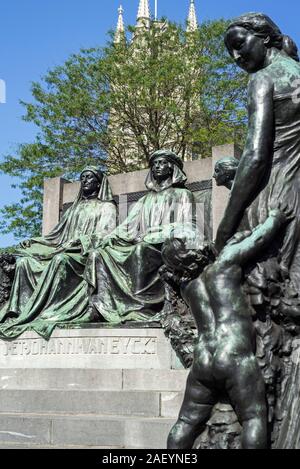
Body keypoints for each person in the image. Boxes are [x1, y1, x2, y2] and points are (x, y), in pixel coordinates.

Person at [162, 206, 291, 449]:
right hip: (233, 354)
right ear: (195, 247)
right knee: (253, 417)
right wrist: (276, 219)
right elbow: (259, 239)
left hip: (203, 359)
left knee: (186, 422)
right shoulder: (224, 264)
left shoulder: (187, 287)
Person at [215, 13, 300, 291]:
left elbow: (256, 155)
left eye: (239, 44)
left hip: (278, 194)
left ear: (264, 37)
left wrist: (226, 226)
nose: (236, 56)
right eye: (231, 53)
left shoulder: (263, 79)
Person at [0, 167, 117, 339]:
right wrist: (33, 241)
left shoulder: (106, 207)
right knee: (24, 262)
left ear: (98, 183)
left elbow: (107, 233)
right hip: (62, 250)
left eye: (89, 177)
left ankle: (53, 312)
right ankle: (18, 312)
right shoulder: (72, 210)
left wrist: (81, 241)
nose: (85, 180)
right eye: (82, 177)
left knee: (60, 260)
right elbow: (54, 236)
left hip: (82, 256)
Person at [84, 149, 197, 323]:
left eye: (162, 163)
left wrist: (154, 234)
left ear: (172, 168)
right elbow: (127, 226)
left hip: (163, 248)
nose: (157, 167)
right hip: (141, 243)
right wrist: (107, 239)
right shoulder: (145, 200)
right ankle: (100, 306)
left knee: (140, 250)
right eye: (154, 164)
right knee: (99, 254)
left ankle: (141, 307)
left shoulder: (183, 194)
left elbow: (188, 225)